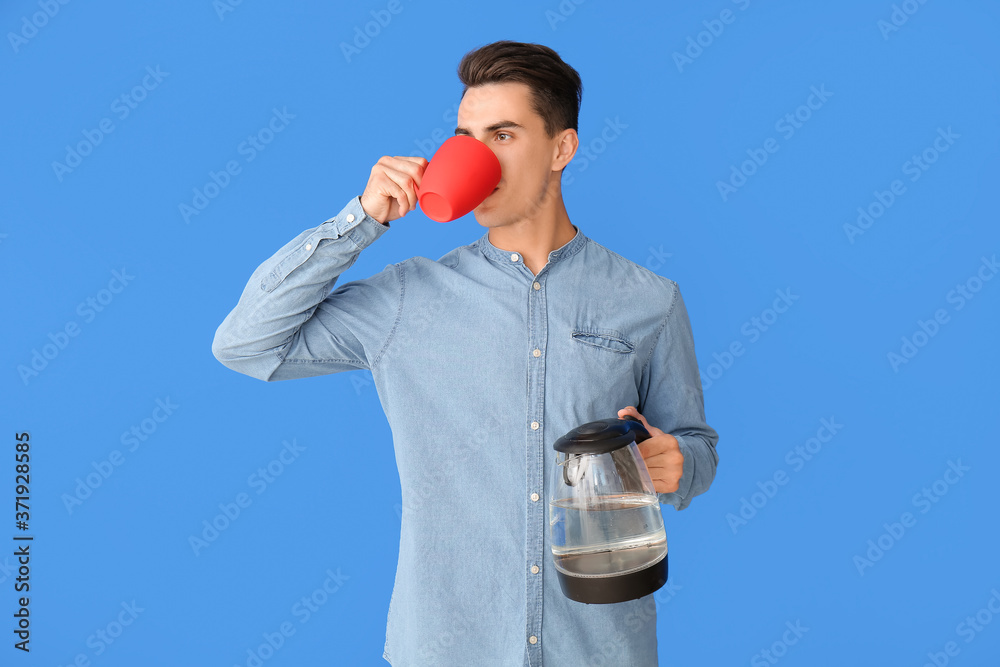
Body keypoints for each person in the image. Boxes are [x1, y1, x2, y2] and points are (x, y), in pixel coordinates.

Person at [212, 39, 719, 667]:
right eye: (466, 137)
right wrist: (362, 220)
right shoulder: (407, 297)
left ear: (562, 149)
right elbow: (246, 344)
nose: (478, 156)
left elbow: (695, 444)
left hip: (600, 649)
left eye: (502, 135)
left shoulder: (649, 299)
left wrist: (682, 464)